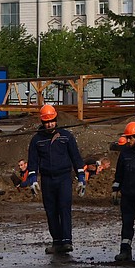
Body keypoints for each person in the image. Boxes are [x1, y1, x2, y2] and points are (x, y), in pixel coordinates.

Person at [26, 103, 86, 254]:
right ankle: (57, 242)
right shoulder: (36, 140)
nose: (49, 124)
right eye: (46, 122)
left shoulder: (66, 136)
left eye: (51, 121)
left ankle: (67, 241)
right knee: (51, 211)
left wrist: (81, 177)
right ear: (42, 122)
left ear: (56, 119)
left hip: (64, 178)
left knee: (64, 208)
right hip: (47, 179)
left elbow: (76, 158)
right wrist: (32, 180)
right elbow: (33, 162)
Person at [110, 121, 135, 263]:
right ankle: (125, 251)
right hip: (128, 195)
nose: (127, 141)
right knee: (127, 223)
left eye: (130, 138)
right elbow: (119, 173)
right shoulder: (124, 153)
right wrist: (115, 188)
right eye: (127, 138)